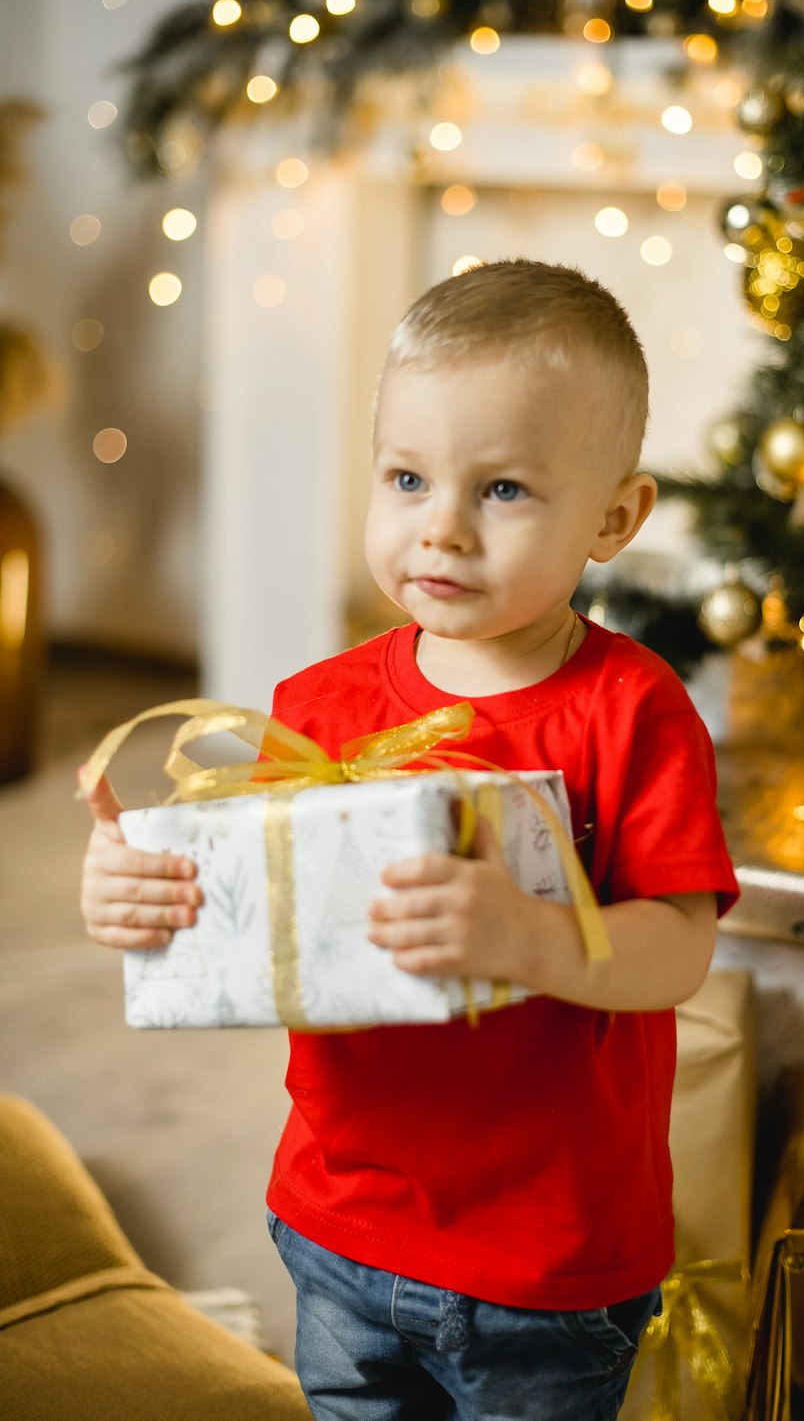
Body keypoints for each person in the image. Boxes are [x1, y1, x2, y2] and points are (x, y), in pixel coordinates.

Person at [80, 258, 738, 1421]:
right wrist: (143, 892)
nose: (439, 527)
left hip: (548, 1258)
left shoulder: (631, 709)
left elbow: (681, 948)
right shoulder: (317, 702)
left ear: (612, 518)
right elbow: (259, 919)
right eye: (406, 476)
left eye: (502, 490)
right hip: (335, 1219)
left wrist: (535, 938)